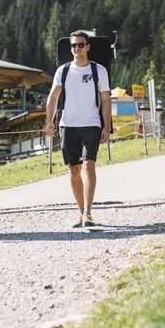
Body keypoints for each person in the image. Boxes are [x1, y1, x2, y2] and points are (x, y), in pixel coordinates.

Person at [43, 31, 111, 228]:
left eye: (81, 45)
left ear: (88, 47)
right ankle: (81, 212)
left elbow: (106, 100)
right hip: (68, 125)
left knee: (89, 166)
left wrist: (107, 126)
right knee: (73, 171)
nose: (77, 49)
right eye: (74, 45)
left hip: (91, 124)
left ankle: (88, 213)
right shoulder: (63, 71)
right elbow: (53, 98)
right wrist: (49, 121)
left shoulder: (98, 70)